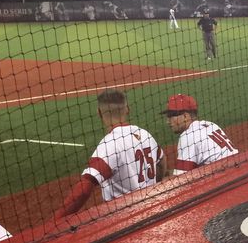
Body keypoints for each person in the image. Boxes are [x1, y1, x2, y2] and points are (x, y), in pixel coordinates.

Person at [52, 89, 164, 219]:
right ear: (128, 109)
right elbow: (161, 160)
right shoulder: (144, 134)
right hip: (152, 208)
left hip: (125, 218)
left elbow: (84, 188)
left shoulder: (109, 144)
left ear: (99, 113)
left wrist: (56, 221)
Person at [162, 94, 238, 175]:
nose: (168, 121)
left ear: (185, 116)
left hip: (226, 176)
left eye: (171, 116)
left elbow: (181, 178)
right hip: (239, 166)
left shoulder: (188, 136)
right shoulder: (210, 124)